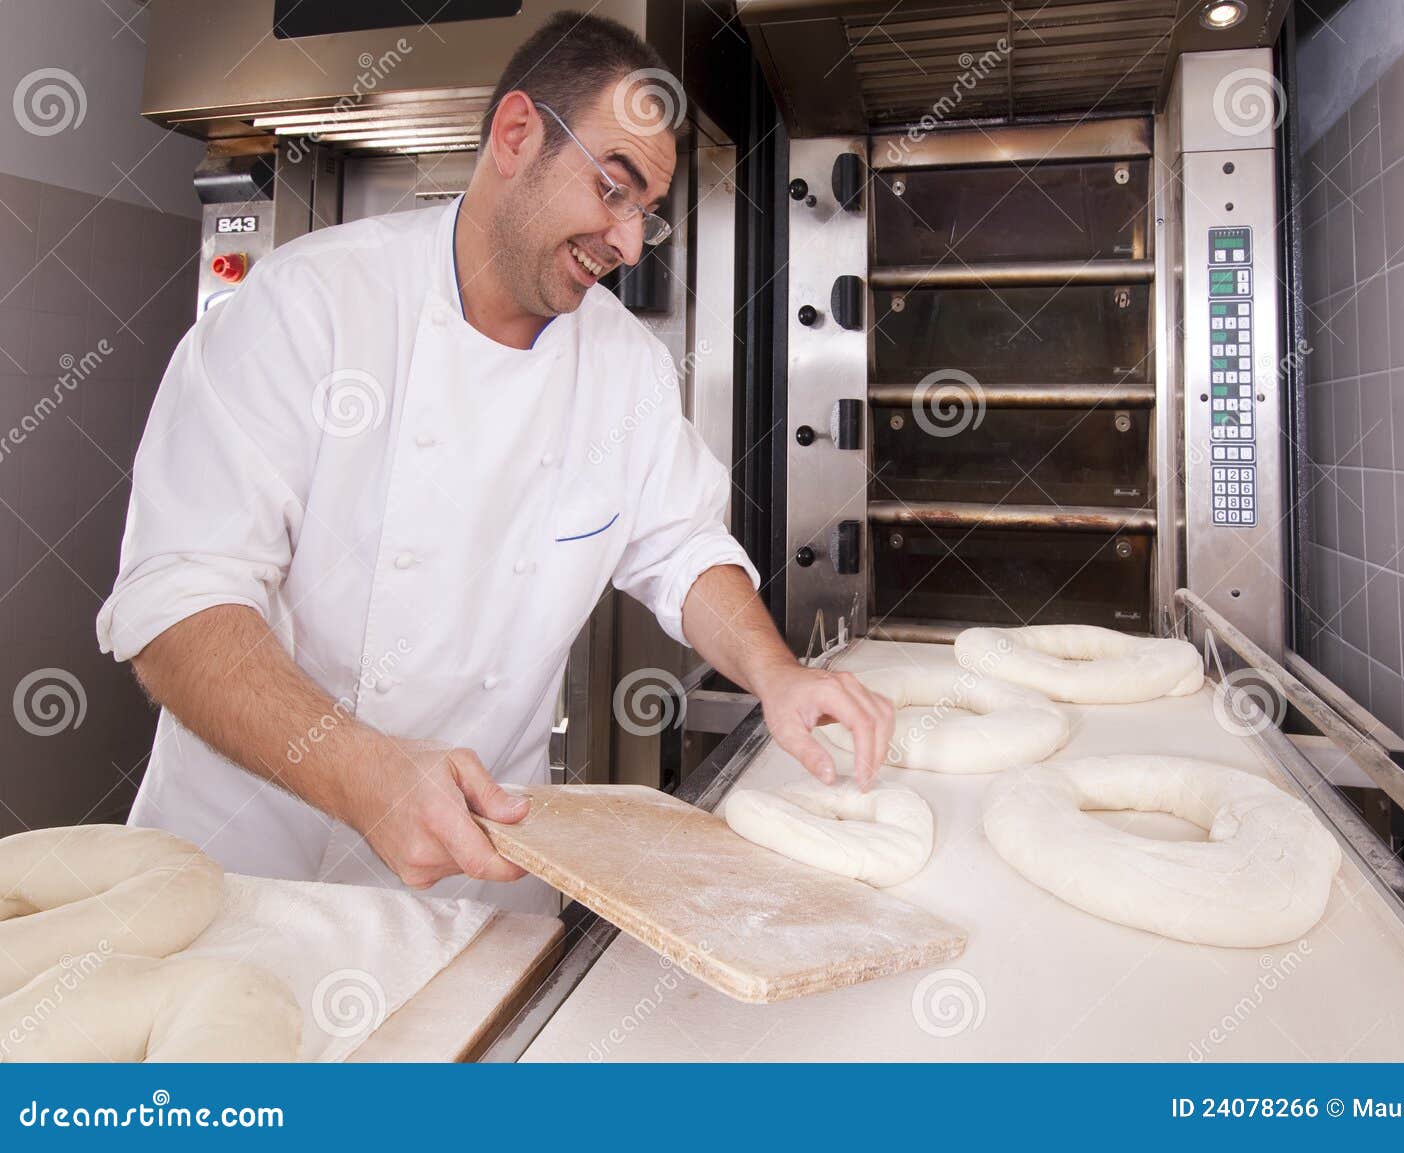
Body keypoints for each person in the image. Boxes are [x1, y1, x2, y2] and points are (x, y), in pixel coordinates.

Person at [95, 11, 894, 913]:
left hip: (476, 886)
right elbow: (180, 608)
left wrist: (777, 673)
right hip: (244, 873)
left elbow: (682, 546)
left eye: (647, 217)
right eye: (614, 189)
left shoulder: (624, 364)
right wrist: (370, 777)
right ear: (516, 135)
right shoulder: (304, 310)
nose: (630, 244)